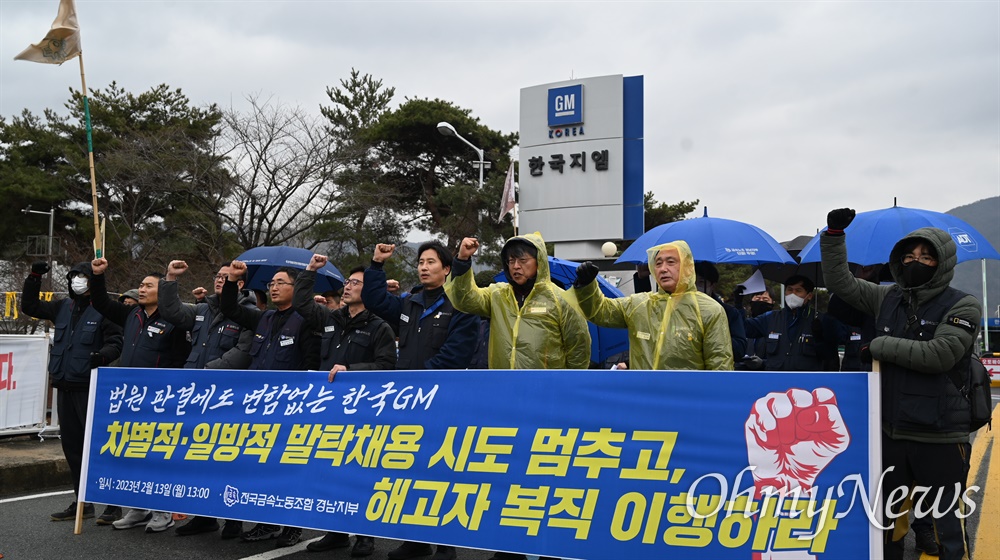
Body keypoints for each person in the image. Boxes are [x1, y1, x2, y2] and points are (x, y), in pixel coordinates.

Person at [821, 208, 981, 560]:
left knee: (947, 525)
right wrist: (833, 236)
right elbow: (839, 283)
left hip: (940, 435)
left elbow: (941, 354)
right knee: (888, 524)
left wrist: (879, 346)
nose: (916, 262)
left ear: (943, 262)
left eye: (926, 256)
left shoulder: (964, 305)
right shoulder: (886, 297)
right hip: (891, 433)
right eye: (908, 256)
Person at [359, 241, 479, 560]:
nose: (423, 267)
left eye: (431, 262)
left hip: (441, 401)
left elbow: (456, 354)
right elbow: (373, 299)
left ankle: (445, 544)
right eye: (420, 262)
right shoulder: (409, 302)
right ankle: (415, 540)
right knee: (409, 470)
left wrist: (418, 379)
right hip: (408, 402)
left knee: (441, 472)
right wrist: (376, 265)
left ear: (447, 269)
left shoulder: (461, 305)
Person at [294, 258, 397, 557]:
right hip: (329, 411)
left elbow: (387, 366)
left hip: (363, 413)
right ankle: (335, 532)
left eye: (356, 283)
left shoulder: (380, 328)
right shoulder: (331, 319)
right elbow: (302, 303)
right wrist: (310, 271)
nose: (348, 287)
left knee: (362, 475)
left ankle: (365, 536)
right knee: (331, 472)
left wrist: (352, 370)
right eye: (348, 282)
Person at [218, 262, 320, 547]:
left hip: (290, 408)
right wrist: (232, 280)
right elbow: (230, 309)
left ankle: (291, 526)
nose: (273, 287)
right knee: (263, 467)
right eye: (271, 284)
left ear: (295, 288)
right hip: (258, 406)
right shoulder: (264, 318)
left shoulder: (306, 321)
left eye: (280, 283)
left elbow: (311, 365)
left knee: (289, 468)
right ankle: (266, 522)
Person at [89, 258, 190, 533]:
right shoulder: (130, 314)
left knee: (157, 455)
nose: (141, 289)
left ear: (162, 290)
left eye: (148, 285)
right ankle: (138, 507)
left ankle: (162, 510)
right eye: (140, 285)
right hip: (129, 397)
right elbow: (100, 302)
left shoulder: (175, 319)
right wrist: (97, 276)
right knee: (133, 453)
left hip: (160, 399)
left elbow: (181, 359)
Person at [157, 260, 255, 539]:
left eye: (227, 277)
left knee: (228, 458)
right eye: (218, 276)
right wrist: (170, 279)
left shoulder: (249, 313)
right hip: (195, 394)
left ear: (240, 283)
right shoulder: (203, 309)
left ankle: (234, 518)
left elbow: (243, 353)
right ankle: (204, 516)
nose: (220, 280)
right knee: (199, 457)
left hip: (225, 397)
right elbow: (172, 311)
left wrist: (205, 373)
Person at [21, 261, 123, 525]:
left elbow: (116, 342)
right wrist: (34, 278)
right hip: (65, 385)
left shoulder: (104, 309)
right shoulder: (62, 307)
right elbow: (29, 307)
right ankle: (82, 501)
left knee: (100, 447)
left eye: (83, 276)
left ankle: (113, 505)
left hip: (90, 387)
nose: (78, 280)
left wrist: (102, 356)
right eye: (74, 275)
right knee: (73, 447)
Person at [573, 241, 734, 371]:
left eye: (671, 262)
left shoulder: (709, 310)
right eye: (658, 263)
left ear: (687, 266)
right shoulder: (639, 304)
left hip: (687, 403)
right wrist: (587, 287)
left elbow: (720, 363)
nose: (663, 269)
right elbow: (601, 311)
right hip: (643, 400)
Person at [445, 233, 591, 371]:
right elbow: (464, 299)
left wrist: (567, 386)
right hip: (504, 388)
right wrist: (462, 260)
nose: (515, 266)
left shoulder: (561, 299)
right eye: (511, 261)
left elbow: (579, 349)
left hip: (546, 390)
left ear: (538, 262)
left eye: (523, 260)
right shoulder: (496, 295)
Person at [742, 274, 840, 371]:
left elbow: (830, 357)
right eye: (789, 290)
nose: (792, 294)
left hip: (806, 382)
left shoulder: (820, 319)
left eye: (798, 290)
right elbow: (744, 328)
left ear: (809, 296)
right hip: (776, 380)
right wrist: (738, 306)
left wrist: (819, 338)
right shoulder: (771, 317)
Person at [694, 261, 748, 361]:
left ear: (712, 285)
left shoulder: (729, 313)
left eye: (701, 282)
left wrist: (712, 335)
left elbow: (739, 349)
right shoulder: (678, 310)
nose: (695, 287)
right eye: (692, 282)